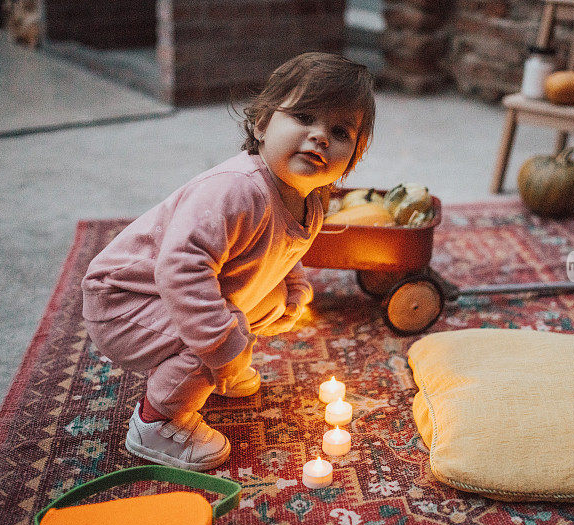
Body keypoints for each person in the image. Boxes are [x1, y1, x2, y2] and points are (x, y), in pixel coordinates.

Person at [81, 52, 376, 471]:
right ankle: (154, 422)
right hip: (124, 302)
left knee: (270, 304)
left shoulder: (310, 200)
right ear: (261, 124)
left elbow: (278, 251)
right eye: (304, 116)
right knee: (215, 337)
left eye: (340, 130)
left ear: (352, 159)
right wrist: (221, 345)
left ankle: (214, 365)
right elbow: (181, 268)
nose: (320, 136)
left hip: (181, 292)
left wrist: (293, 288)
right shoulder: (237, 190)